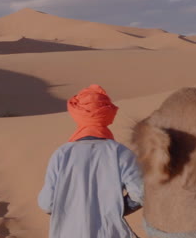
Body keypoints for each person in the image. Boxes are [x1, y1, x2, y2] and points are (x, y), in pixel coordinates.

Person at [38, 84, 144, 238]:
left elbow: (46, 203)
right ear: (108, 114)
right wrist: (116, 208)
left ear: (76, 113)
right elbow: (141, 193)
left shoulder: (61, 154)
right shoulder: (120, 153)